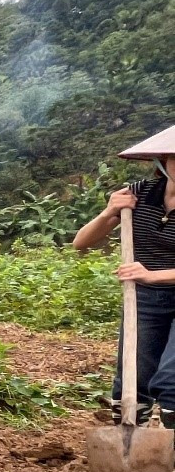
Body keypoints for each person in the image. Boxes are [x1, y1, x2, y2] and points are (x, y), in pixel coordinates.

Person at [72, 123, 175, 426]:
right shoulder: (139, 195)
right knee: (134, 380)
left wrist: (152, 275)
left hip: (152, 282)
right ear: (163, 162)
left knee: (171, 381)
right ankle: (132, 451)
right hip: (146, 299)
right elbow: (82, 242)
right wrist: (108, 213)